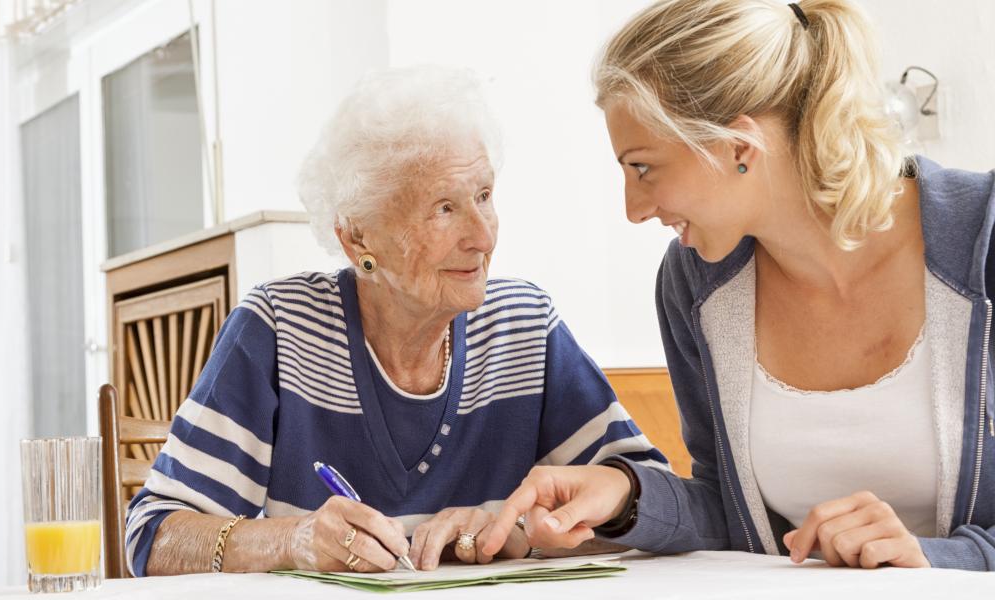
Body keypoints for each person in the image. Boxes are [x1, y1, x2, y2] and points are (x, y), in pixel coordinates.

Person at [484, 0, 995, 571]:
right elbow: (729, 509)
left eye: (642, 167)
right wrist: (626, 497)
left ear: (738, 147)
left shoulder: (983, 240)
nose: (633, 208)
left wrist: (941, 558)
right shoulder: (695, 286)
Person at [123, 65, 669, 575]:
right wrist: (293, 540)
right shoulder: (278, 330)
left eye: (483, 195)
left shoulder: (524, 328)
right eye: (444, 208)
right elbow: (153, 535)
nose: (482, 237)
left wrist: (523, 529)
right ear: (357, 236)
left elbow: (655, 503)